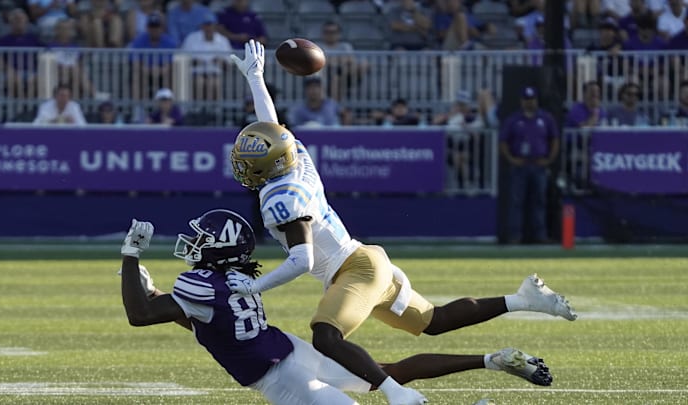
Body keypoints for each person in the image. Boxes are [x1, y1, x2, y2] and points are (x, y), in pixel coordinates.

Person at [225, 40, 577, 405]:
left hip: (354, 270)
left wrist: (255, 287)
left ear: (269, 165)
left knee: (325, 338)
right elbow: (273, 125)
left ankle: (397, 394)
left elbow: (303, 261)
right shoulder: (294, 158)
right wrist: (256, 78)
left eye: (251, 160)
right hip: (364, 260)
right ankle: (522, 300)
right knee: (434, 321)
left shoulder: (281, 199)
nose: (243, 164)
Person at [120, 210, 555, 405]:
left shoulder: (202, 286)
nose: (192, 246)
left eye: (200, 240)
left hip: (278, 375)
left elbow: (142, 316)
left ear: (218, 250)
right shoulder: (231, 280)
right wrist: (152, 291)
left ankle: (487, 365)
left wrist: (130, 257)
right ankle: (489, 360)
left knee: (367, 394)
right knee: (388, 372)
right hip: (287, 349)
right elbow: (195, 318)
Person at [499, 86, 559, 244]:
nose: (529, 103)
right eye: (526, 100)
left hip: (539, 164)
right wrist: (511, 159)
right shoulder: (513, 119)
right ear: (521, 101)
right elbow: (503, 141)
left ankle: (540, 235)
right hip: (520, 165)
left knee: (539, 201)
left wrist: (549, 159)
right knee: (516, 201)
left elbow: (554, 139)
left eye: (532, 100)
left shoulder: (545, 118)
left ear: (536, 100)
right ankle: (515, 235)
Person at [180, 12, 232, 101]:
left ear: (215, 26)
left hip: (215, 74)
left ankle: (214, 109)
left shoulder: (223, 41)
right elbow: (182, 58)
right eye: (206, 25)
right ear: (202, 26)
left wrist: (220, 61)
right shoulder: (191, 38)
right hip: (196, 73)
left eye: (210, 25)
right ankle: (198, 109)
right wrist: (194, 61)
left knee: (214, 83)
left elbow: (229, 63)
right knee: (199, 82)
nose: (208, 28)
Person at [129, 12, 178, 102]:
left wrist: (161, 70)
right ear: (147, 28)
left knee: (170, 75)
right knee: (136, 76)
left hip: (163, 72)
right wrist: (147, 70)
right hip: (144, 70)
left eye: (157, 27)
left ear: (161, 28)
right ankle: (138, 107)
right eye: (152, 27)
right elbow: (135, 62)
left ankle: (166, 107)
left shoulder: (170, 42)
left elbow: (171, 63)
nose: (154, 30)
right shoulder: (139, 41)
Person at [0, 8, 43, 99]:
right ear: (10, 22)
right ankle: (21, 105)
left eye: (21, 19)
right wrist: (10, 70)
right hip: (12, 73)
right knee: (13, 79)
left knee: (39, 79)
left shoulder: (33, 39)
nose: (19, 21)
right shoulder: (4, 40)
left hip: (32, 72)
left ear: (26, 21)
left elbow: (46, 54)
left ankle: (26, 104)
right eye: (16, 19)